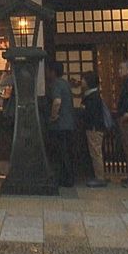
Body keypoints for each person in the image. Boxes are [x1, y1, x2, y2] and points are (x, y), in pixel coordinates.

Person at [44, 60, 76, 188]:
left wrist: (53, 116)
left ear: (53, 72)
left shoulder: (56, 84)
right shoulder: (65, 84)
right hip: (69, 124)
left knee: (60, 153)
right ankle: (69, 178)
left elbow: (57, 101)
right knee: (67, 152)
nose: (46, 73)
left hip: (59, 125)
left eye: (47, 70)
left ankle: (63, 179)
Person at [78, 71, 109, 188]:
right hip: (94, 127)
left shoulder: (92, 97)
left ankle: (100, 177)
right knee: (95, 152)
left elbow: (90, 113)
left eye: (83, 79)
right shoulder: (93, 95)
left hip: (94, 128)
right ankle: (98, 175)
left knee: (96, 152)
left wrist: (82, 110)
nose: (81, 82)